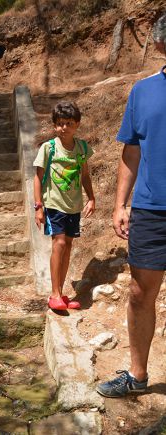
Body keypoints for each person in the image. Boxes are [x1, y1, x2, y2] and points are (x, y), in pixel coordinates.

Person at [96, 13, 166, 399]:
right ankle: (137, 376)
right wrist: (120, 203)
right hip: (152, 209)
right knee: (140, 293)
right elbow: (132, 149)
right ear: (159, 45)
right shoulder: (143, 91)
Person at [33, 102, 94, 310]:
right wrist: (38, 207)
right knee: (58, 243)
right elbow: (38, 178)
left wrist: (91, 198)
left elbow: (85, 174)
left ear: (77, 124)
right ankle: (54, 294)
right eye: (60, 124)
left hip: (73, 206)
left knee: (68, 245)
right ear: (54, 126)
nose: (64, 128)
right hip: (54, 204)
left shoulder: (82, 148)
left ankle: (61, 292)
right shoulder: (48, 148)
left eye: (69, 123)